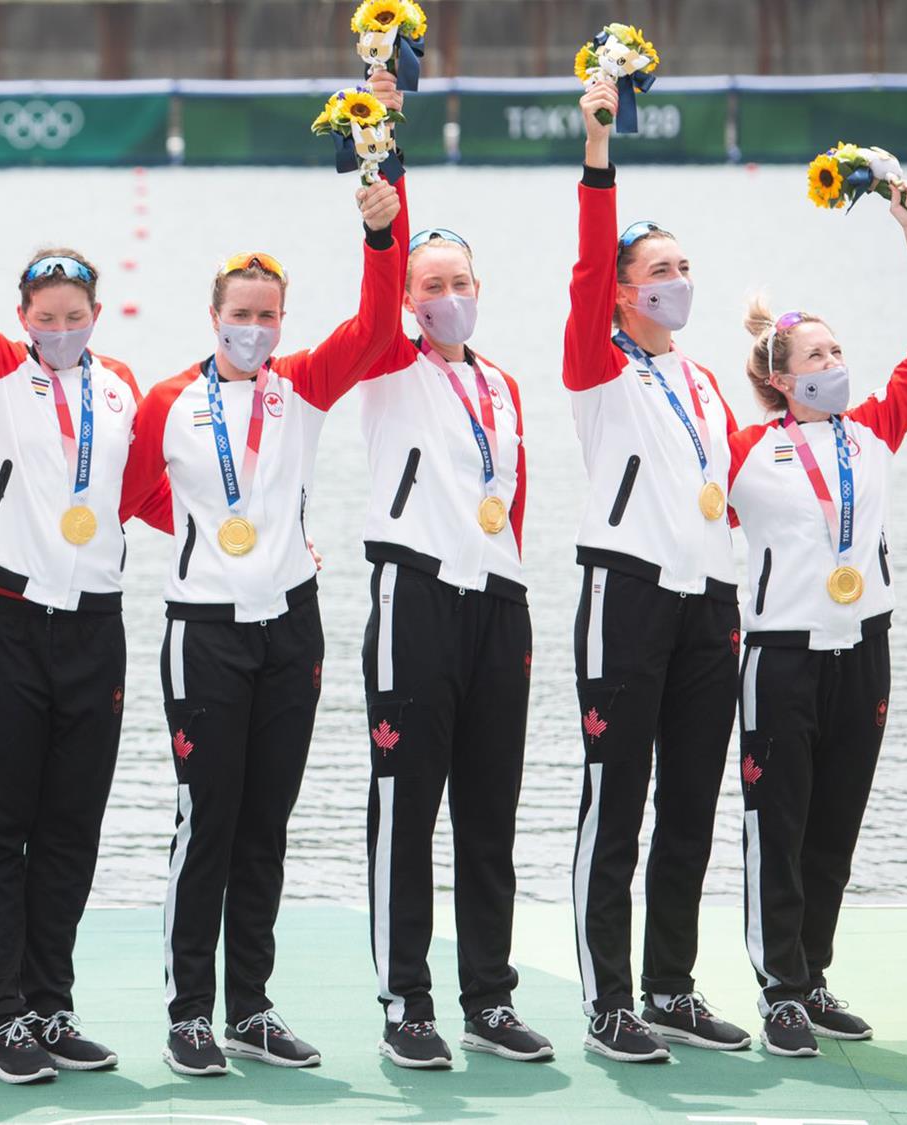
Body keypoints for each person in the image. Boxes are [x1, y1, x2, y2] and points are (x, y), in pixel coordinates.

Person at [0, 107, 171, 1084]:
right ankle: (0, 1013)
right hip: (5, 621)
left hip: (95, 626)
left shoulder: (126, 388)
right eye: (42, 317)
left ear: (94, 315)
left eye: (73, 315)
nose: (58, 329)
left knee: (71, 827)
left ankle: (53, 1006)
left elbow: (154, 491)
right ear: (21, 320)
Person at [119, 165, 402, 1078]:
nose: (254, 326)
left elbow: (376, 323)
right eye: (240, 311)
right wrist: (213, 535)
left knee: (267, 823)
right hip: (202, 630)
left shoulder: (306, 386)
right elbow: (132, 498)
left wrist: (381, 227)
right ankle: (189, 1012)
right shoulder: (168, 400)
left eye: (269, 313)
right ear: (214, 317)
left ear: (283, 319)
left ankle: (253, 1007)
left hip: (292, 627)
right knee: (209, 818)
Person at [349, 69, 552, 1070]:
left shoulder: (505, 386)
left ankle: (488, 999)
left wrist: (508, 582)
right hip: (413, 596)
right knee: (407, 805)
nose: (445, 297)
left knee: (487, 809)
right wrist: (381, 120)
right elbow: (384, 264)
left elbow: (510, 505)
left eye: (459, 283)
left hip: (495, 605)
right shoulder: (385, 358)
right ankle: (405, 1003)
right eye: (431, 285)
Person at [727, 177, 907, 1057]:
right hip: (779, 655)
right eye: (813, 358)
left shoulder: (876, 429)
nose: (831, 366)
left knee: (836, 823)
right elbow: (695, 521)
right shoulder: (747, 448)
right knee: (776, 825)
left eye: (836, 351)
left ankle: (813, 977)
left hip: (865, 649)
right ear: (779, 378)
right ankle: (778, 989)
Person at [564, 77, 752, 1062]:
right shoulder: (594, 363)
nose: (674, 279)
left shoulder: (703, 375)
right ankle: (608, 1001)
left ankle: (671, 987)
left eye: (683, 264)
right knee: (616, 799)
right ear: (624, 288)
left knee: (688, 801)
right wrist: (599, 145)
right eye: (655, 268)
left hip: (706, 603)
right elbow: (587, 259)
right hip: (625, 592)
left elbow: (739, 485)